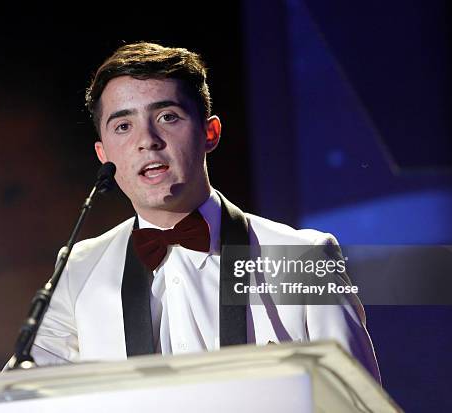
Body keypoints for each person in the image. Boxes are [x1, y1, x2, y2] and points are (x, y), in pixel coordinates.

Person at [30, 42, 380, 381]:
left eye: (167, 117)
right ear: (103, 155)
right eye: (123, 126)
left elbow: (355, 402)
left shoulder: (301, 258)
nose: (146, 139)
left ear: (209, 132)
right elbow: (25, 394)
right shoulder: (79, 268)